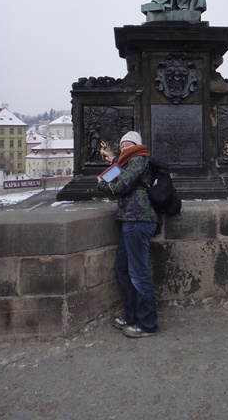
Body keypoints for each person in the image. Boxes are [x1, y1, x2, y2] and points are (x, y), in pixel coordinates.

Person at [97, 131, 159, 338]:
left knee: (138, 273)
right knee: (123, 269)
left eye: (128, 144)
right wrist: (113, 160)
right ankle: (132, 316)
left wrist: (103, 183)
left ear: (137, 146)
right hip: (129, 220)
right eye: (122, 145)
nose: (124, 148)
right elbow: (121, 170)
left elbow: (122, 184)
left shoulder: (139, 160)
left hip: (138, 220)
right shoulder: (128, 162)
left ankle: (148, 324)